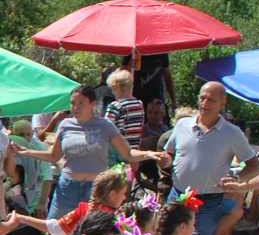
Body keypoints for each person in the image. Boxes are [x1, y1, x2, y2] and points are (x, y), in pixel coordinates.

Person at [18, 85, 161, 219]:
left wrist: (148, 154)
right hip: (67, 188)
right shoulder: (65, 125)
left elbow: (127, 154)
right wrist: (26, 152)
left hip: (95, 190)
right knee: (57, 231)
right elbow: (54, 156)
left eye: (80, 103)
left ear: (92, 104)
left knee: (91, 234)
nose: (75, 107)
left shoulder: (105, 126)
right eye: (72, 103)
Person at [164, 82, 259, 235]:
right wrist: (165, 160)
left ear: (222, 103)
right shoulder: (183, 124)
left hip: (208, 202)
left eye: (211, 99)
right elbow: (168, 152)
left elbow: (254, 165)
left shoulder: (232, 133)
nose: (204, 103)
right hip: (178, 196)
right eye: (202, 98)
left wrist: (237, 180)